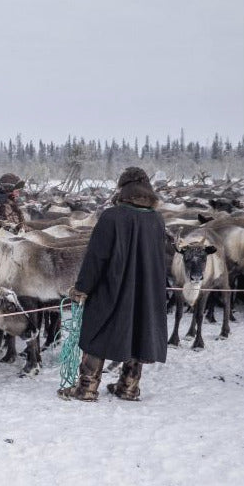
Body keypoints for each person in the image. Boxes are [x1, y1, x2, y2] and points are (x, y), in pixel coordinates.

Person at [58, 166, 168, 402]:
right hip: (146, 290)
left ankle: (87, 388)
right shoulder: (157, 219)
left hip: (113, 287)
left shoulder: (112, 217)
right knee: (139, 331)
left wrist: (83, 287)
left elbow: (96, 258)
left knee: (97, 331)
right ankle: (128, 387)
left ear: (123, 188)